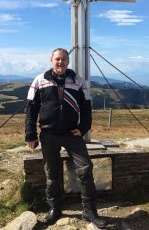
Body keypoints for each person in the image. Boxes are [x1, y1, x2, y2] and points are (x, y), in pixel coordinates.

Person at [25, 48, 107, 228]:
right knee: (51, 174)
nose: (60, 62)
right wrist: (30, 134)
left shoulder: (78, 81)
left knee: (85, 169)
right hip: (48, 134)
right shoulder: (40, 80)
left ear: (68, 61)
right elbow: (31, 109)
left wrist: (83, 128)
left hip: (71, 134)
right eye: (57, 59)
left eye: (63, 59)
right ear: (51, 60)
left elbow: (86, 107)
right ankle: (55, 209)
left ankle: (89, 211)